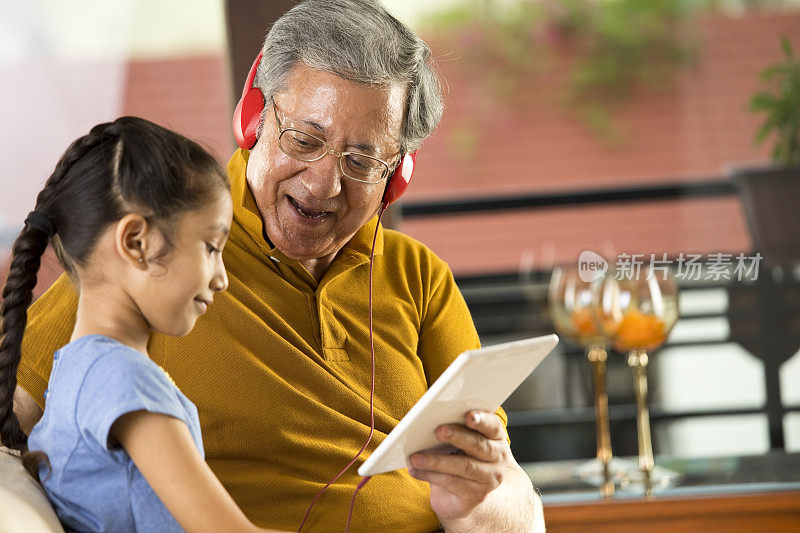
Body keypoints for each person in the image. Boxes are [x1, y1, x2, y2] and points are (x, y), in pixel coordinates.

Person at [11, 1, 544, 531]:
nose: (321, 186)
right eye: (305, 140)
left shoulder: (419, 277)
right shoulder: (161, 256)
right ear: (254, 116)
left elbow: (515, 497)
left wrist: (478, 503)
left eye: (361, 163)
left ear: (397, 176)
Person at [0, 117, 285, 532]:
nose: (221, 278)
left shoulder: (75, 369)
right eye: (210, 247)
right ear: (136, 243)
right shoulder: (124, 381)